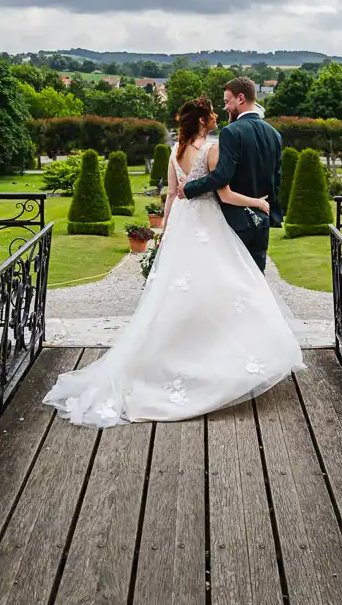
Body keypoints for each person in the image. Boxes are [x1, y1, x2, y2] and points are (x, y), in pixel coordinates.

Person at [42, 95, 305, 428]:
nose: (215, 117)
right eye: (211, 115)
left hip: (183, 222)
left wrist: (164, 231)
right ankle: (215, 352)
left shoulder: (174, 152)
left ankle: (179, 352)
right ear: (202, 121)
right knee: (227, 285)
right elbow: (223, 194)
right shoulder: (212, 149)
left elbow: (169, 195)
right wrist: (258, 202)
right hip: (208, 221)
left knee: (177, 291)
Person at [180, 77, 284, 271]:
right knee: (256, 281)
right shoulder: (274, 134)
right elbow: (276, 180)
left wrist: (188, 188)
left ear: (241, 99)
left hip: (236, 221)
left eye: (228, 101)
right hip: (262, 220)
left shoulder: (231, 132)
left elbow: (221, 176)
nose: (226, 107)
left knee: (236, 278)